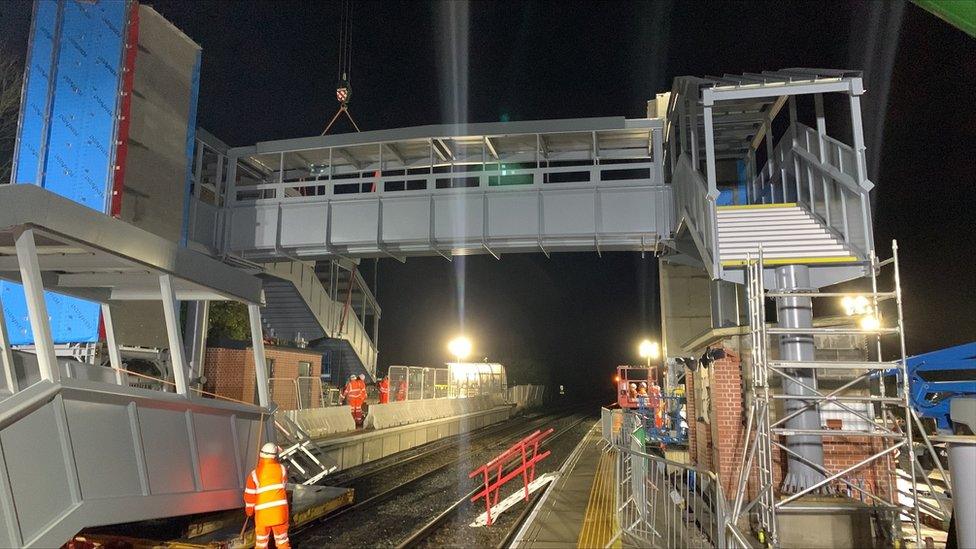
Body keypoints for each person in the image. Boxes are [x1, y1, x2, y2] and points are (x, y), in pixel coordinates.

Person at [244, 443, 290, 549]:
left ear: (260, 455)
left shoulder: (254, 474)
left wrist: (249, 511)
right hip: (280, 514)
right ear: (275, 456)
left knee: (261, 543)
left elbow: (250, 495)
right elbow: (283, 486)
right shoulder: (282, 469)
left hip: (262, 515)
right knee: (282, 541)